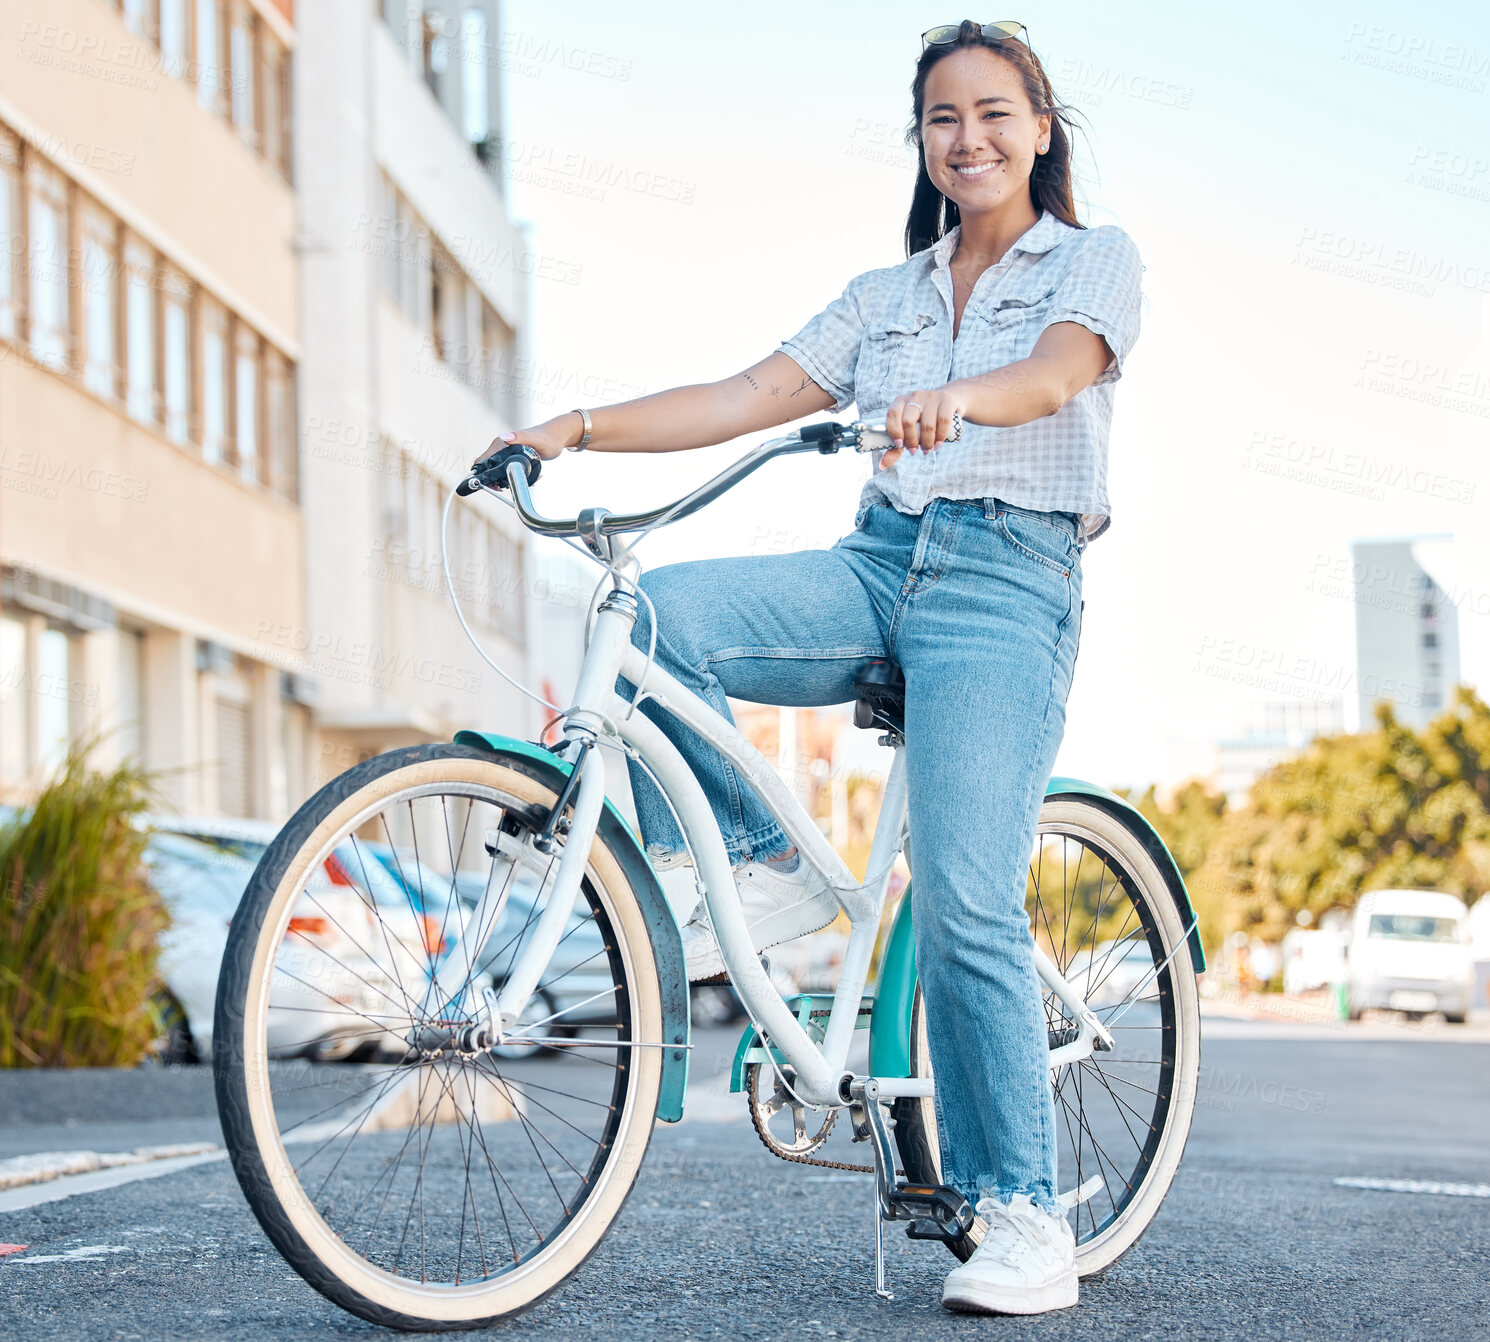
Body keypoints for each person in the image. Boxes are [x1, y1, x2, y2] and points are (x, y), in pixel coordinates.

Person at [477, 19, 1142, 1318]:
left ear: (1040, 128)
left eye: (996, 112)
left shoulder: (1093, 260)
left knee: (963, 897)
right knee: (657, 613)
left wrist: (964, 399)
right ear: (921, 141)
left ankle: (1019, 1210)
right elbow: (739, 396)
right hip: (879, 561)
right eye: (944, 117)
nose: (971, 137)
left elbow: (1062, 373)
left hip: (1008, 581)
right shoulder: (885, 298)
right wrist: (569, 428)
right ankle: (769, 877)